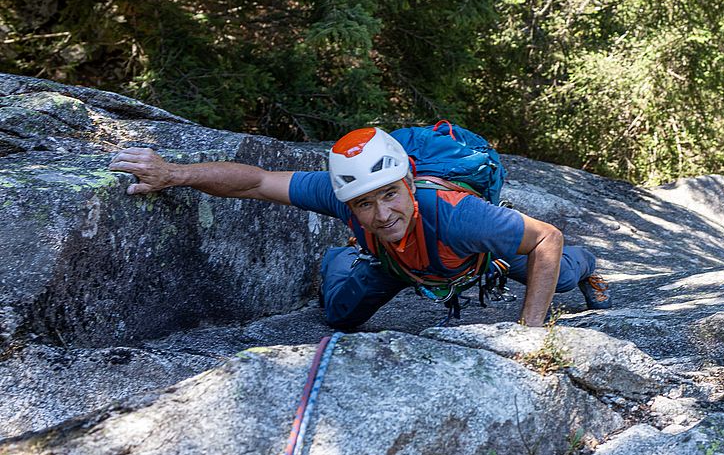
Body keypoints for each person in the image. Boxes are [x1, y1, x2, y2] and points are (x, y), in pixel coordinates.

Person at [108, 127, 612, 330]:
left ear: (410, 184)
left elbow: (546, 236)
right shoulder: (345, 197)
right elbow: (258, 182)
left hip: (470, 256)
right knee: (342, 317)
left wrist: (527, 335)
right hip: (399, 264)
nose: (382, 213)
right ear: (349, 200)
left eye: (390, 195)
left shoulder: (460, 215)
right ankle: (339, 259)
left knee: (559, 275)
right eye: (364, 205)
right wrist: (174, 174)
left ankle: (589, 266)